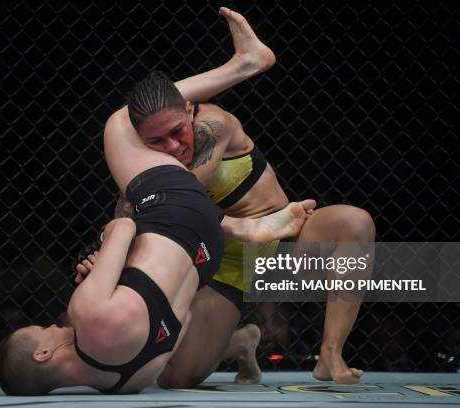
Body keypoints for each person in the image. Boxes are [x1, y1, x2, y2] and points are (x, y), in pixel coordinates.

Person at [0, 8, 316, 395]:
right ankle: (245, 64)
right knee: (119, 124)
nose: (52, 325)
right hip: (178, 213)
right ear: (43, 353)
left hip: (203, 254)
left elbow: (174, 322)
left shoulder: (132, 381)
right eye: (42, 329)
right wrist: (103, 260)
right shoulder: (87, 314)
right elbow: (125, 226)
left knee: (175, 355)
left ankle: (237, 228)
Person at [77, 7, 374, 387]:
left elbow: (180, 204)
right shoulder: (148, 163)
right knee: (176, 378)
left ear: (188, 109)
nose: (172, 146)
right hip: (220, 269)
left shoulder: (214, 125)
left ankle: (331, 354)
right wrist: (102, 256)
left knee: (355, 222)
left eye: (176, 131)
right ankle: (240, 342)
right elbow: (135, 212)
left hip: (281, 247)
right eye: (156, 141)